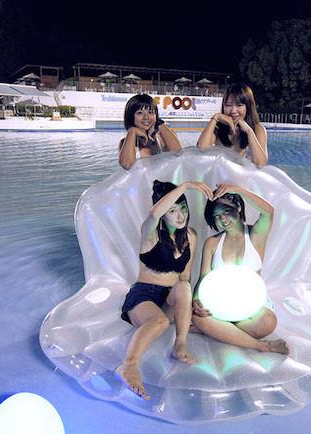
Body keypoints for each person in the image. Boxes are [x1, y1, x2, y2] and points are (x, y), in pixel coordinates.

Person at [116, 180, 213, 400]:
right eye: (173, 210)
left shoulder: (190, 236)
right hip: (144, 296)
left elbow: (185, 277)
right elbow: (154, 214)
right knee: (158, 321)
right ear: (164, 213)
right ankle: (128, 365)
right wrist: (185, 186)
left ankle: (180, 345)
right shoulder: (150, 233)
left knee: (184, 286)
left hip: (168, 298)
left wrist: (191, 304)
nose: (181, 215)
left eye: (183, 208)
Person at [191, 184, 289, 355]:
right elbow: (204, 277)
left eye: (226, 211)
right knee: (198, 319)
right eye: (216, 216)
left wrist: (238, 190)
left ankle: (221, 330)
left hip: (249, 305)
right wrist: (196, 300)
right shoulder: (212, 243)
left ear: (238, 207)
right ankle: (262, 346)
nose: (222, 219)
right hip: (219, 304)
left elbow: (268, 212)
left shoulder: (255, 235)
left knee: (268, 322)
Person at [196, 83, 268, 167]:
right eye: (229, 105)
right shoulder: (218, 128)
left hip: (242, 174)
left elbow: (260, 163)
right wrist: (216, 117)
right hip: (221, 172)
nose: (233, 111)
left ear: (248, 107)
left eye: (239, 105)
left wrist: (249, 131)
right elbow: (201, 150)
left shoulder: (257, 129)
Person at [119, 94, 182, 169]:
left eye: (150, 112)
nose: (146, 117)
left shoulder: (163, 138)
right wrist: (132, 131)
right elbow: (126, 165)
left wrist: (159, 124)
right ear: (131, 116)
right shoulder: (125, 142)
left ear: (156, 115)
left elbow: (179, 154)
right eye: (140, 113)